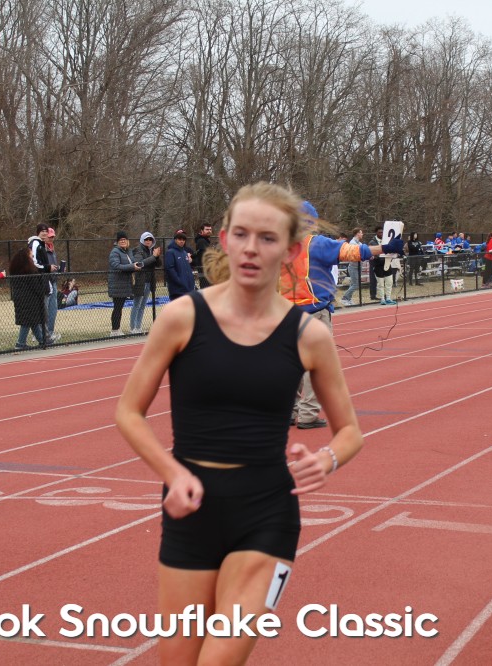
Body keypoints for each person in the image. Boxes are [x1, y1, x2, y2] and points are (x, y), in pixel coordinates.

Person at [114, 182, 364, 665]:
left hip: (267, 515)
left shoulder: (309, 335)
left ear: (290, 250)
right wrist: (173, 474)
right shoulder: (182, 318)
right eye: (242, 234)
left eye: (267, 238)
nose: (252, 248)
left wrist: (326, 460)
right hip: (191, 512)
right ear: (225, 240)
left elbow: (350, 432)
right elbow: (128, 412)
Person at [280, 204, 400, 428]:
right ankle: (308, 414)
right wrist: (386, 247)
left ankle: (289, 410)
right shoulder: (316, 244)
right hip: (313, 311)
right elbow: (354, 252)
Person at [9, 248, 49, 349]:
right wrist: (42, 291)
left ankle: (42, 340)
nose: (33, 258)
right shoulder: (29, 271)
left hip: (22, 299)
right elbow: (36, 287)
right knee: (27, 322)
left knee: (32, 321)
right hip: (29, 299)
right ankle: (20, 343)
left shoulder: (16, 271)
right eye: (31, 256)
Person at [108, 230, 139, 336]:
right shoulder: (115, 252)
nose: (123, 241)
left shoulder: (128, 251)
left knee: (119, 307)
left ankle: (117, 329)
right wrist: (132, 266)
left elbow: (132, 262)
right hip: (117, 284)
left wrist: (137, 265)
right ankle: (114, 330)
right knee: (117, 307)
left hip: (125, 284)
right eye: (120, 240)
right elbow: (116, 266)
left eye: (124, 239)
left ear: (128, 241)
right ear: (117, 242)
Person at [130, 231, 161, 333]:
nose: (148, 241)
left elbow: (159, 264)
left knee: (143, 305)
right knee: (137, 304)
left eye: (150, 239)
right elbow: (140, 264)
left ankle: (138, 327)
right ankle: (133, 328)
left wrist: (157, 256)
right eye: (146, 239)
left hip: (149, 281)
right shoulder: (138, 250)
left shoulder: (152, 250)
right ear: (142, 240)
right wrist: (153, 257)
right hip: (140, 280)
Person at [164, 229, 195, 300]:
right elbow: (170, 269)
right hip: (177, 290)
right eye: (179, 239)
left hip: (188, 288)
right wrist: (179, 281)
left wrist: (191, 282)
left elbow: (188, 269)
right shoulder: (170, 252)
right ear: (175, 240)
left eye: (183, 240)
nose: (182, 241)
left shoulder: (184, 253)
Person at [44, 228, 61, 342]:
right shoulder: (42, 249)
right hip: (46, 282)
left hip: (53, 281)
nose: (51, 238)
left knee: (53, 309)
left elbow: (53, 265)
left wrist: (59, 268)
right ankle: (42, 333)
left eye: (53, 237)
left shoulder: (52, 249)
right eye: (49, 236)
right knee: (45, 308)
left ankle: (50, 332)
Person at [340, 228, 363, 305]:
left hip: (359, 266)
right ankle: (344, 298)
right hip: (353, 267)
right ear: (357, 234)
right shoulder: (352, 243)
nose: (362, 234)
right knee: (356, 285)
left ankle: (348, 299)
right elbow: (356, 253)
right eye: (361, 233)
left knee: (354, 284)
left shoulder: (360, 243)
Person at [193, 223, 214, 288]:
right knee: (207, 291)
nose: (209, 231)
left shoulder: (205, 241)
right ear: (201, 231)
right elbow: (205, 256)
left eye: (210, 229)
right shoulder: (201, 241)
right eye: (207, 229)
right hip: (205, 272)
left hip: (206, 271)